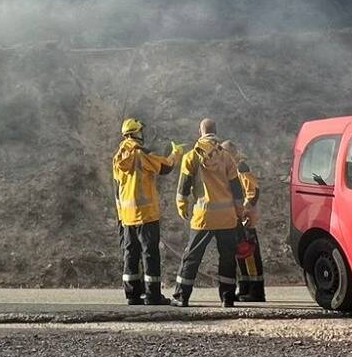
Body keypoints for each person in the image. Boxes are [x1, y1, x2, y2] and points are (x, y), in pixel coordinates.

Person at [171, 118, 247, 308]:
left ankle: (182, 297)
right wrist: (240, 211)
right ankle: (227, 298)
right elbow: (237, 189)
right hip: (227, 217)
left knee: (192, 256)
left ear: (201, 131)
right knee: (228, 257)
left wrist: (182, 205)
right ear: (215, 131)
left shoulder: (191, 157)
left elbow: (183, 187)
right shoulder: (226, 157)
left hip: (203, 216)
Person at [112, 118, 185, 306]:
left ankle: (132, 295)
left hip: (127, 216)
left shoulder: (117, 157)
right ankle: (152, 295)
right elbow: (165, 167)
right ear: (136, 133)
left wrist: (120, 216)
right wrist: (176, 153)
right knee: (150, 254)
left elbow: (117, 189)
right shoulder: (141, 154)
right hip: (146, 214)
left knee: (130, 254)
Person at [221, 140, 265, 303]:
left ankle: (256, 292)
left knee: (250, 256)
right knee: (242, 254)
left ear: (231, 152)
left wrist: (245, 211)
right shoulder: (233, 168)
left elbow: (253, 192)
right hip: (238, 218)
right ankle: (245, 288)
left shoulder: (241, 167)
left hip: (247, 219)